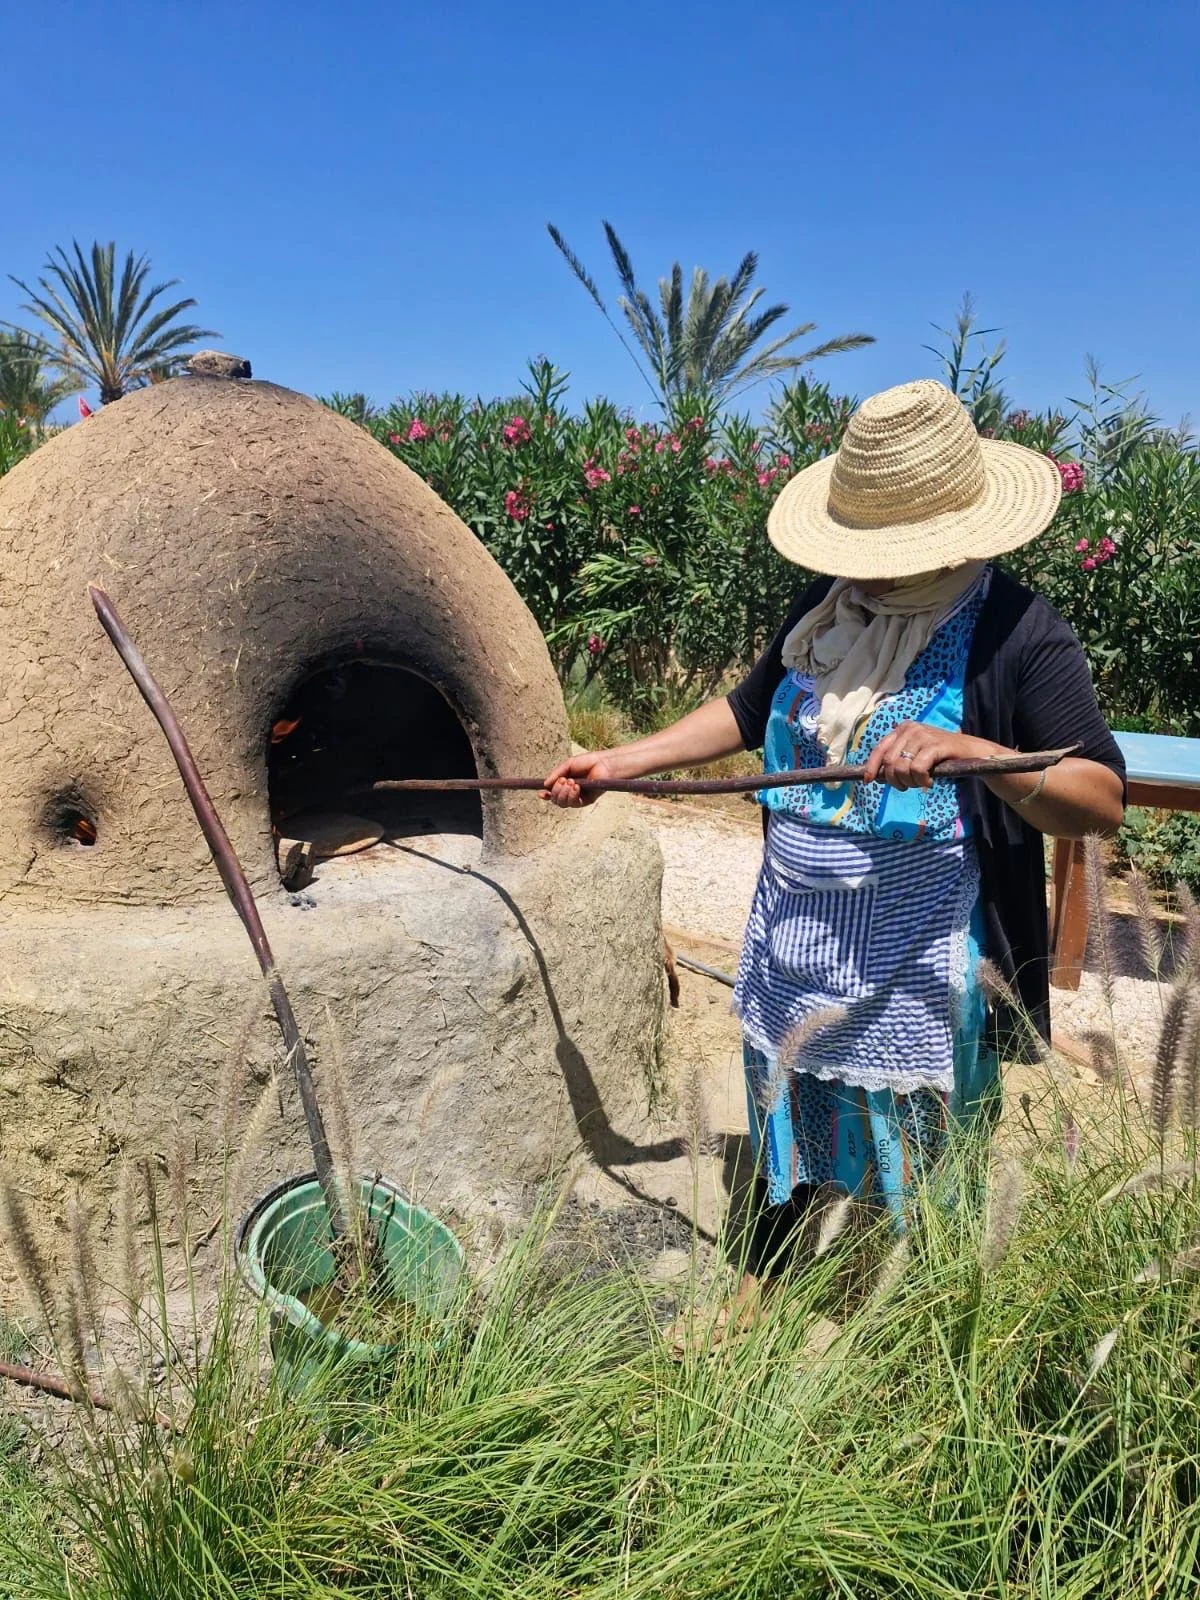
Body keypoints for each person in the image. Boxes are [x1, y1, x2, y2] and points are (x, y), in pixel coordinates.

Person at [543, 378, 1125, 1313]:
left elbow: (1099, 800)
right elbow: (742, 713)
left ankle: (928, 1321)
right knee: (787, 1098)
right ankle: (767, 1271)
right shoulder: (829, 614)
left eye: (890, 553)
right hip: (799, 933)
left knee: (925, 1145)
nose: (869, 570)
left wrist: (975, 752)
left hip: (921, 957)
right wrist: (620, 761)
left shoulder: (1019, 633)